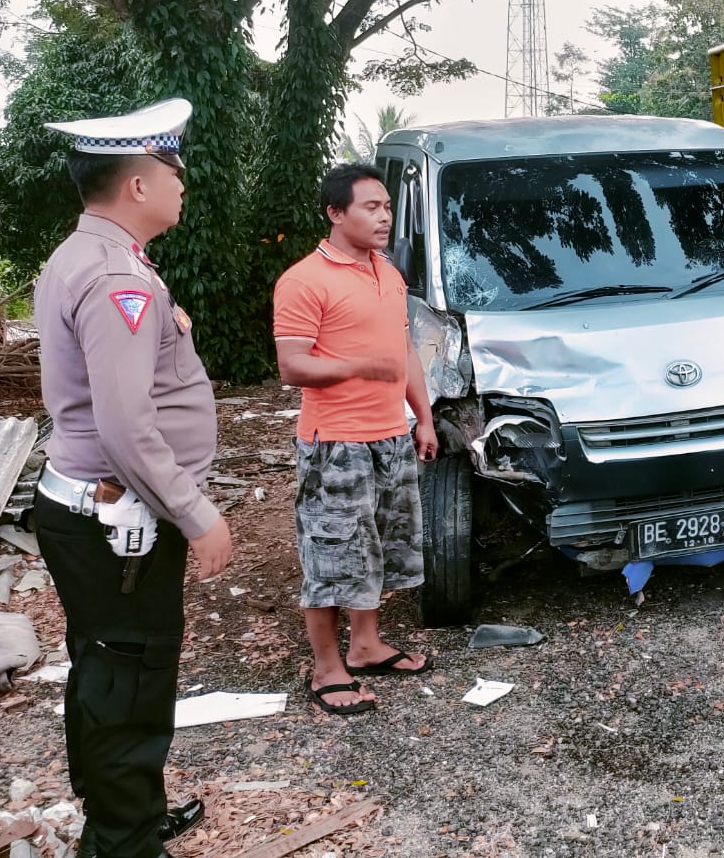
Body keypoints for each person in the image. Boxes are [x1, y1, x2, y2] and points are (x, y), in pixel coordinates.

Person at [33, 98, 232, 858]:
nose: (183, 185)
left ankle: (123, 814)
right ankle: (125, 840)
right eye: (173, 171)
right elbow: (124, 425)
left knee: (104, 664)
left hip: (92, 512)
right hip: (121, 520)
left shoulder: (82, 257)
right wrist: (196, 513)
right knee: (131, 680)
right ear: (139, 185)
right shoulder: (119, 278)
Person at [272, 163, 438, 716]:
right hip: (334, 443)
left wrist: (424, 418)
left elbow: (406, 352)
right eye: (371, 207)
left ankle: (366, 646)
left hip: (390, 436)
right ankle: (326, 667)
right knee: (332, 555)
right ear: (335, 213)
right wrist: (357, 364)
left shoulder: (386, 272)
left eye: (387, 206)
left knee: (381, 549)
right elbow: (292, 367)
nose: (385, 216)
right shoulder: (304, 280)